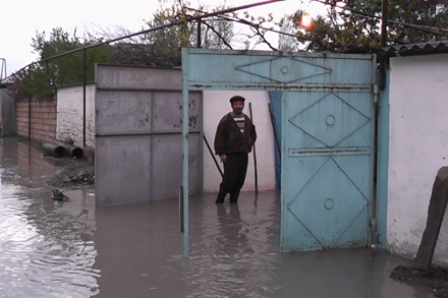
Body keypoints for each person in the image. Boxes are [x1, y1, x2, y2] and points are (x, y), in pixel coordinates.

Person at [214, 95, 257, 204]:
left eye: (240, 104)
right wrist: (222, 153)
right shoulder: (226, 120)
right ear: (232, 106)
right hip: (230, 154)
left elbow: (253, 134)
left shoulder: (247, 120)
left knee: (240, 180)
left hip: (243, 153)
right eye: (236, 104)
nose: (238, 106)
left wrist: (249, 144)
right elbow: (220, 137)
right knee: (229, 180)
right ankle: (219, 202)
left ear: (243, 105)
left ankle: (233, 202)